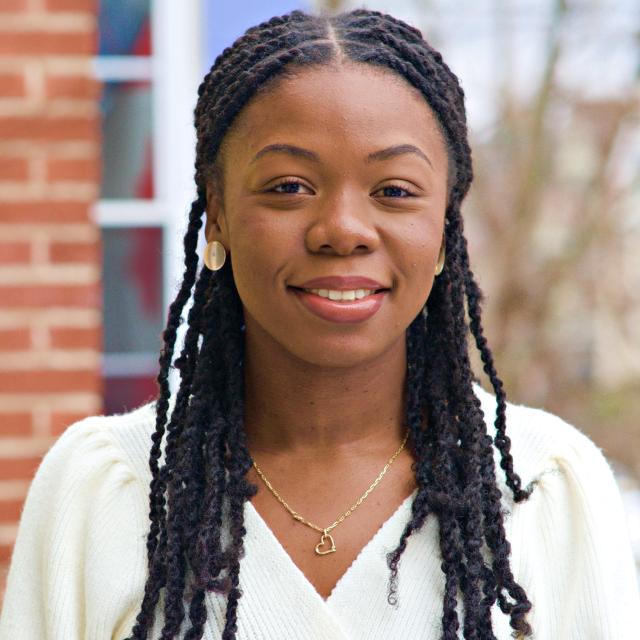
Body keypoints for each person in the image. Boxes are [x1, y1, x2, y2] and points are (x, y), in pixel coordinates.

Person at [1, 8, 638, 640]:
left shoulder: (546, 489)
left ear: (445, 229)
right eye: (288, 187)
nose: (341, 230)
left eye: (393, 190)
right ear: (217, 216)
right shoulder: (101, 490)